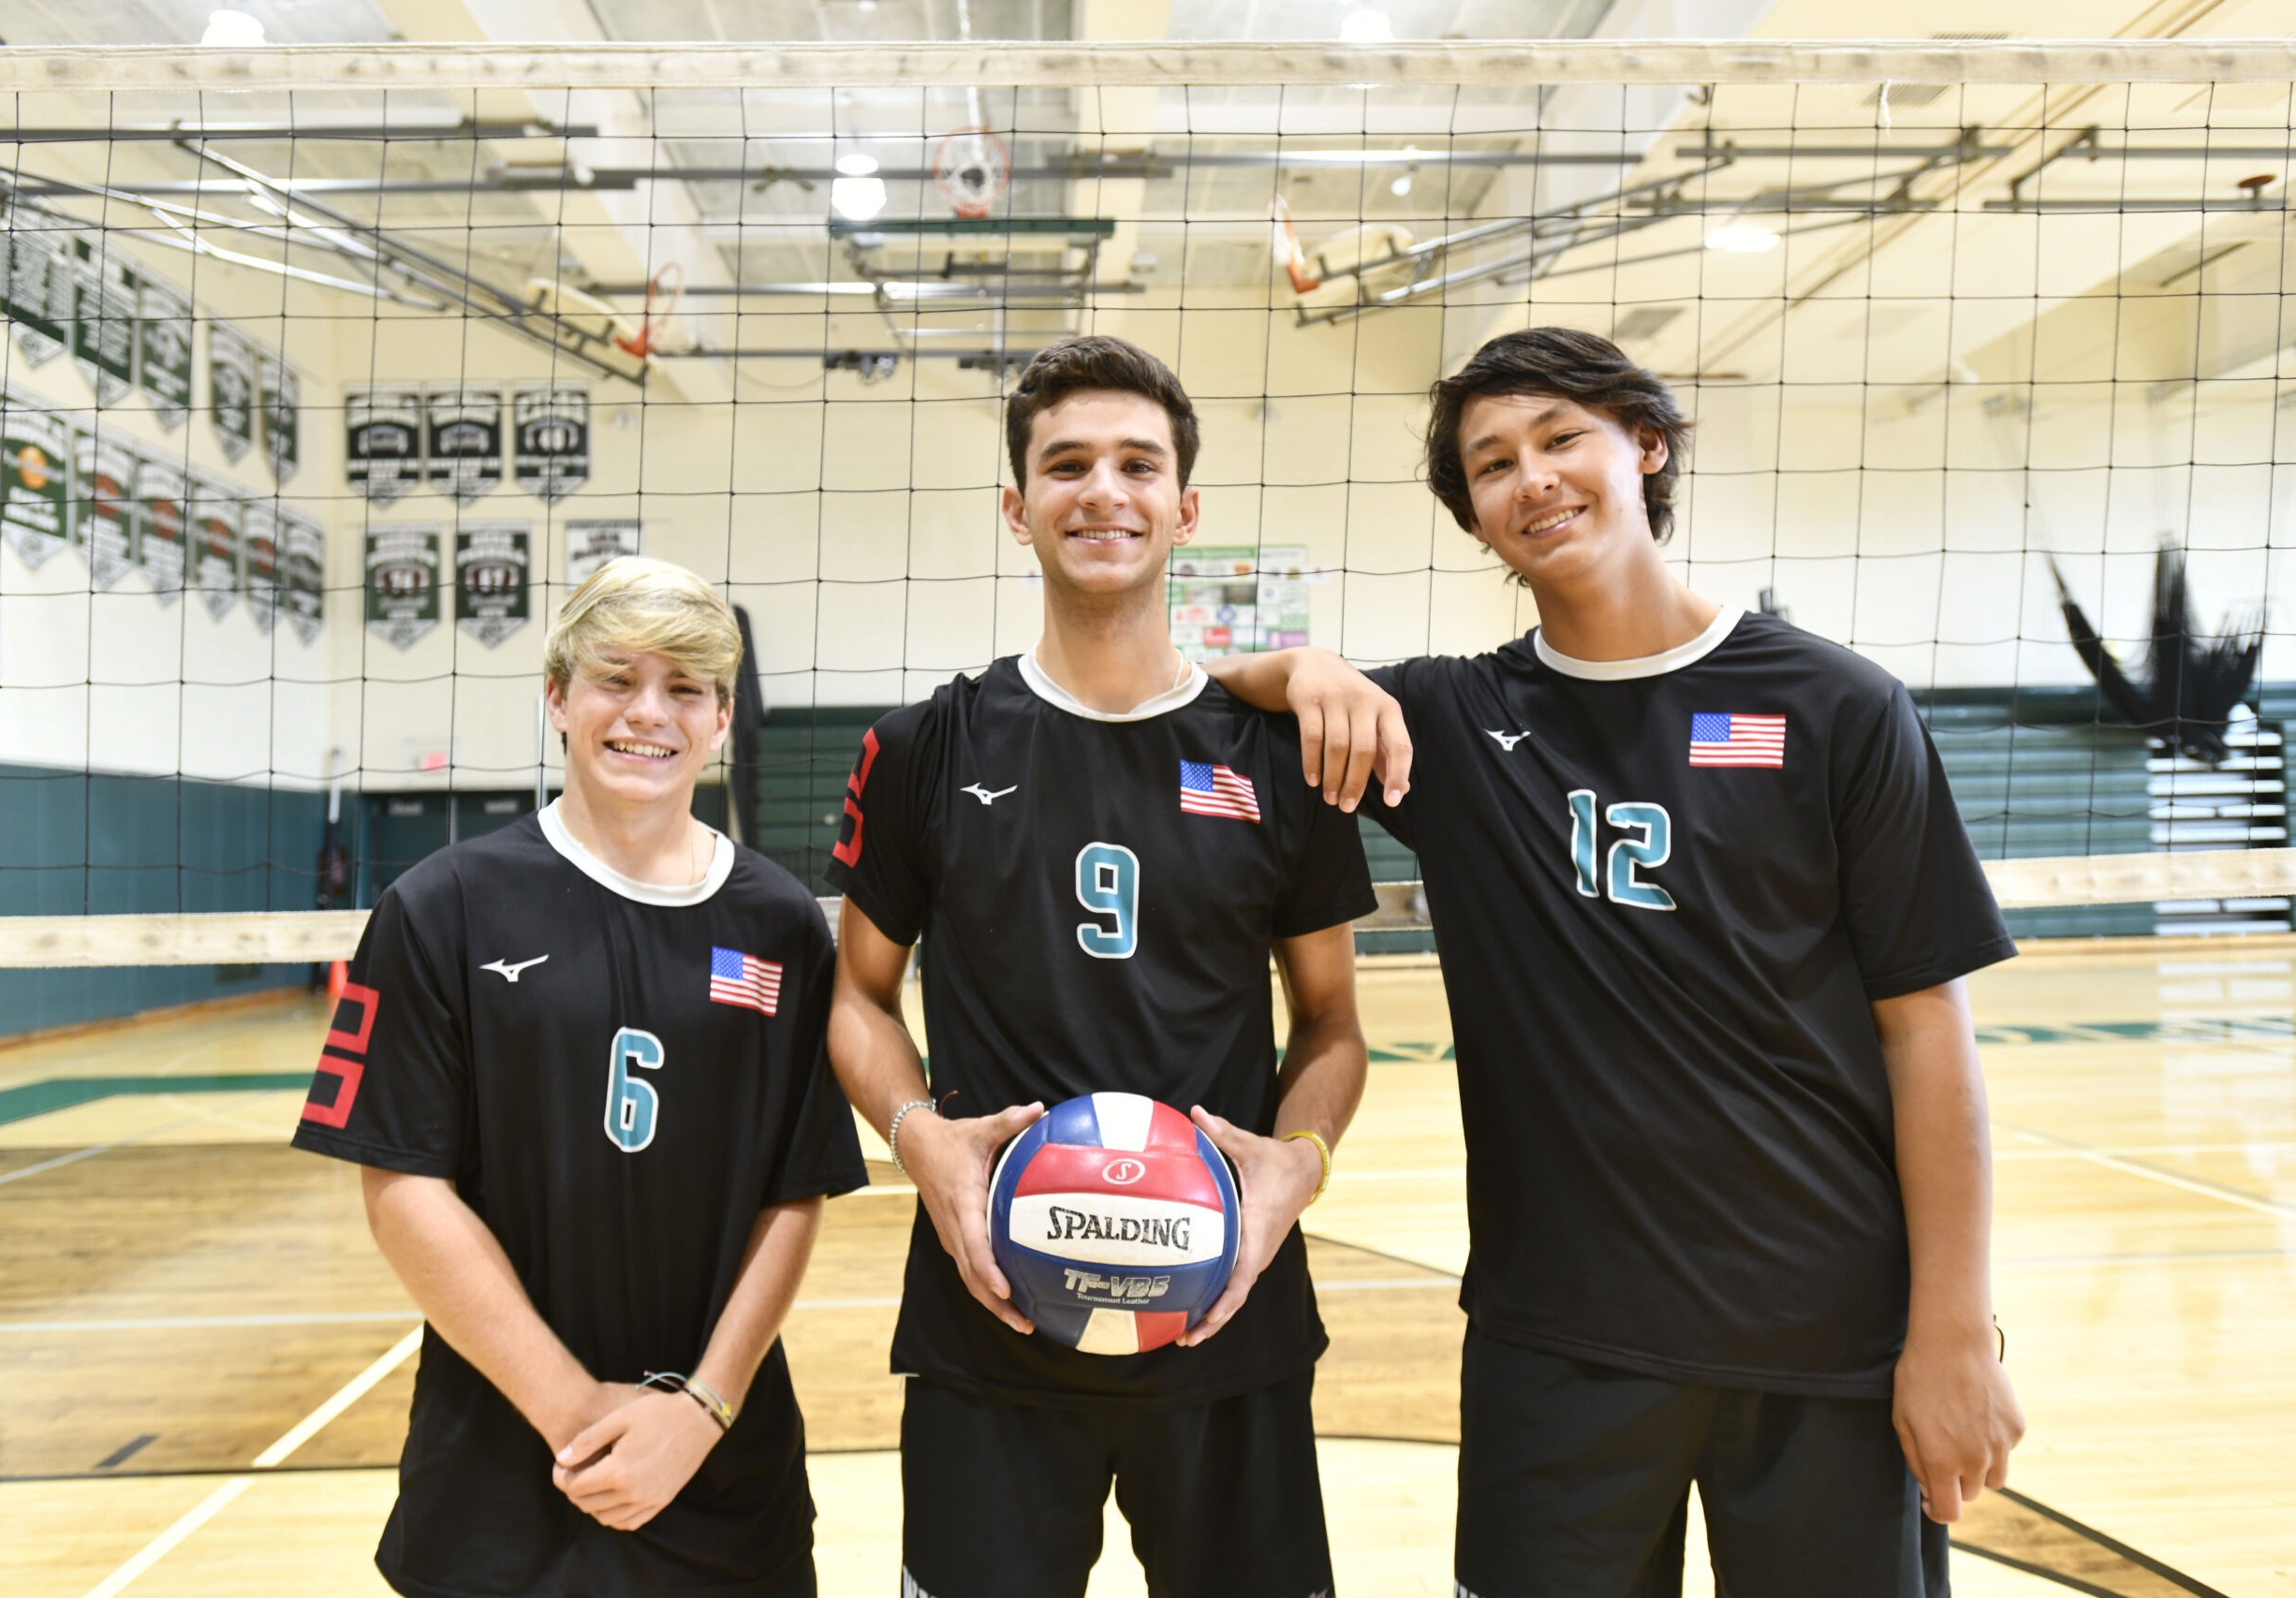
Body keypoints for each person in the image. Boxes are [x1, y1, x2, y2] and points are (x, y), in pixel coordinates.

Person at [1207, 327, 2026, 1596]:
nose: (1531, 477)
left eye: (1559, 437)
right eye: (1491, 463)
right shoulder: (1455, 725)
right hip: (1560, 1348)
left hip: (1826, 1336)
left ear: (1645, 445)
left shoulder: (1837, 706)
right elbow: (1214, 688)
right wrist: (1302, 659)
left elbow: (1928, 1030)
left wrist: (1954, 1329)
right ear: (1474, 517)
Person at [825, 334, 1378, 1598]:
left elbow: (1335, 1023)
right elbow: (855, 995)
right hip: (991, 1313)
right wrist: (922, 1139)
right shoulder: (923, 745)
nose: (1103, 490)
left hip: (1227, 1308)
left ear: (1185, 506)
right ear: (1018, 508)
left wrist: (1298, 1164)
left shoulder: (1280, 753)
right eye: (1066, 464)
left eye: (1139, 463)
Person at [290, 558, 866, 1598]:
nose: (649, 713)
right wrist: (578, 1416)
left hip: (721, 1463)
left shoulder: (781, 922)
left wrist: (700, 1410)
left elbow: (796, 1190)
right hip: (504, 1466)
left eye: (686, 687)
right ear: (557, 696)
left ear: (722, 719)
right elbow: (402, 1189)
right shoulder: (441, 906)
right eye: (616, 678)